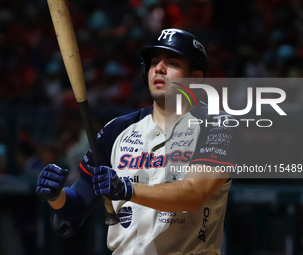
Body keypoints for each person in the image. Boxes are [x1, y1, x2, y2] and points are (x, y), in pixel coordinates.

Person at [36, 28, 240, 255]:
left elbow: (194, 195)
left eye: (172, 63)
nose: (159, 69)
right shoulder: (117, 129)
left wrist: (126, 188)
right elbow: (74, 210)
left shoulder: (217, 124)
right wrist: (56, 196)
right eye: (154, 62)